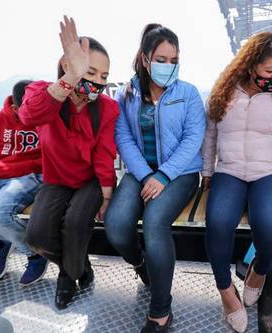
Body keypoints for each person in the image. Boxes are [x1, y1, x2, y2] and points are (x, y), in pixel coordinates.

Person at [105, 24, 205, 333]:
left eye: (174, 59)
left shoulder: (187, 93)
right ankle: (141, 265)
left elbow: (193, 138)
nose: (169, 66)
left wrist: (163, 175)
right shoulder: (128, 94)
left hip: (180, 173)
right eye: (162, 58)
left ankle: (160, 310)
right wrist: (147, 174)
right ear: (146, 59)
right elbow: (123, 136)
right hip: (141, 172)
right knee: (117, 227)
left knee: (154, 222)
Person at [202, 32, 272, 332]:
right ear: (251, 65)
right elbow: (211, 135)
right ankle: (226, 292)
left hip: (270, 172)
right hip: (230, 171)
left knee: (271, 229)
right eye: (270, 70)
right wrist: (208, 172)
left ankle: (258, 270)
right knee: (218, 223)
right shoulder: (224, 93)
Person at [19, 16, 119, 309]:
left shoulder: (106, 108)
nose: (98, 82)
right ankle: (79, 267)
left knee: (76, 224)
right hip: (56, 179)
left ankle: (67, 278)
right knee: (37, 236)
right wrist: (70, 79)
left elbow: (104, 153)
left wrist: (106, 195)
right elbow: (29, 116)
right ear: (68, 65)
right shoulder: (43, 93)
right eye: (90, 72)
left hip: (88, 180)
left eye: (104, 76)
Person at [0, 80, 46, 286]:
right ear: (16, 107)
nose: (35, 111)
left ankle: (34, 254)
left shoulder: (47, 120)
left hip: (30, 176)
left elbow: (52, 156)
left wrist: (21, 166)